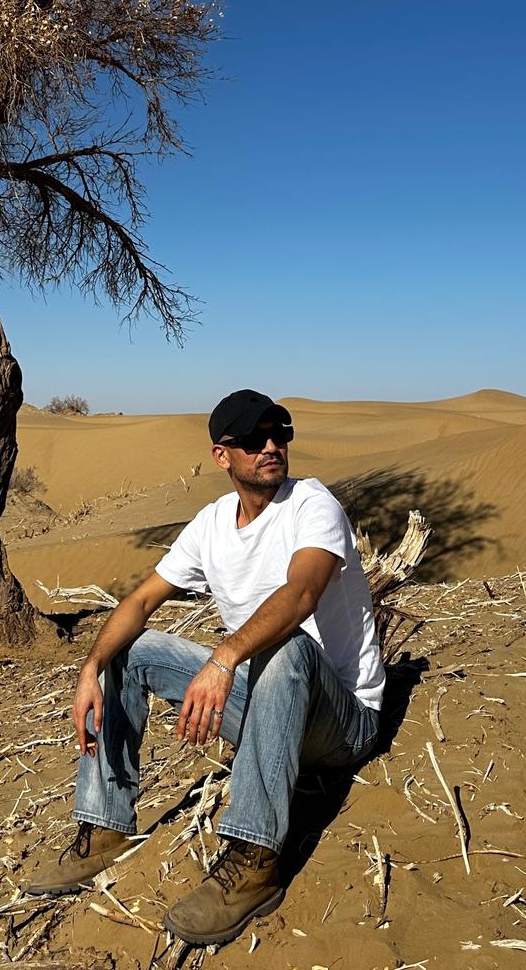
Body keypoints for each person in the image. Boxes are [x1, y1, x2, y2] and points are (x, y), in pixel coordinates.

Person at [26, 389, 384, 947]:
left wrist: (222, 659)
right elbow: (141, 601)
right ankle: (104, 827)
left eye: (279, 433)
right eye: (254, 438)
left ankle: (256, 860)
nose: (271, 445)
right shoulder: (212, 523)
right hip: (266, 702)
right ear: (223, 456)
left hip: (341, 719)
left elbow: (301, 594)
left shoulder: (313, 505)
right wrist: (91, 667)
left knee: (285, 646)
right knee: (130, 651)